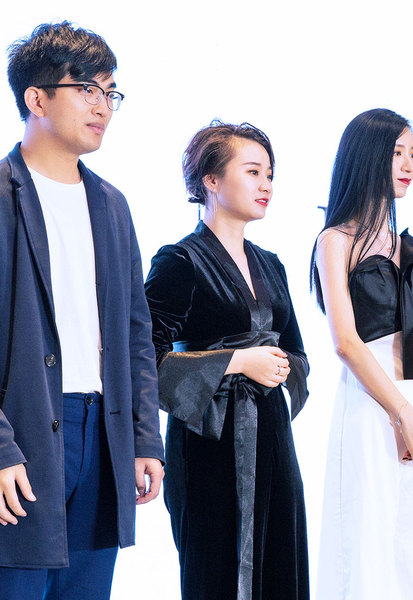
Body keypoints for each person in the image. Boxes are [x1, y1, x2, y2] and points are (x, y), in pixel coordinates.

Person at [0, 22, 164, 600]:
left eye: (110, 92)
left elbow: (136, 333)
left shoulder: (112, 205)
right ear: (36, 99)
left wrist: (144, 438)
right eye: (86, 89)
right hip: (23, 429)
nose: (103, 106)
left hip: (102, 435)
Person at [144, 121, 310, 600]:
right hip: (208, 444)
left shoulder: (272, 264)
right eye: (253, 172)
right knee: (214, 571)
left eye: (270, 174)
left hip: (272, 440)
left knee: (280, 568)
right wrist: (236, 361)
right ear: (211, 180)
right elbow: (144, 358)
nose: (266, 185)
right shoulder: (180, 261)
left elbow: (297, 352)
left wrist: (281, 366)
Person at [311, 108, 413, 599]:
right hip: (373, 408)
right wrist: (402, 415)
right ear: (368, 156)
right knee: (368, 541)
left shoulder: (412, 249)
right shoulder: (335, 241)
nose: (409, 164)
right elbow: (346, 343)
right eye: (397, 153)